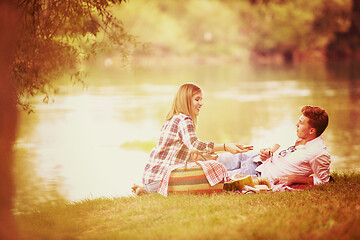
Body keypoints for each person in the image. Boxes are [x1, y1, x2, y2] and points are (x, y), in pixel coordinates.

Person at [133, 83, 252, 195]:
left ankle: (147, 190)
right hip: (163, 179)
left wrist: (204, 157)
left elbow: (177, 155)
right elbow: (194, 144)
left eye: (201, 99)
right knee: (220, 175)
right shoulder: (184, 119)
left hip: (151, 179)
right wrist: (225, 147)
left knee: (214, 165)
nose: (201, 103)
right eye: (197, 99)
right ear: (186, 101)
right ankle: (254, 175)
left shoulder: (172, 119)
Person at [217, 105, 331, 187]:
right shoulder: (299, 135)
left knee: (212, 177)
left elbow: (323, 180)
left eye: (301, 123)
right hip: (255, 158)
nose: (296, 124)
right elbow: (278, 145)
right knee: (216, 159)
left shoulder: (318, 153)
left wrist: (295, 178)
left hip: (258, 174)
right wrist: (269, 151)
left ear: (311, 131)